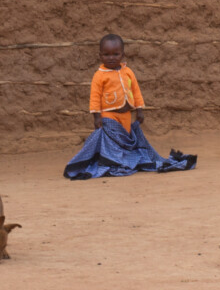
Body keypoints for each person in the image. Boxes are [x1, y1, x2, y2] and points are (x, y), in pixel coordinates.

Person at [64, 34, 195, 180]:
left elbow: (136, 91)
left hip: (126, 115)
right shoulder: (99, 75)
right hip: (108, 115)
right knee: (111, 140)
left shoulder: (128, 72)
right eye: (106, 54)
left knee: (123, 141)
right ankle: (112, 163)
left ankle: (123, 161)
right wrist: (96, 117)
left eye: (115, 54)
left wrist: (139, 110)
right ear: (100, 56)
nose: (111, 58)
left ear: (122, 54)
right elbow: (94, 97)